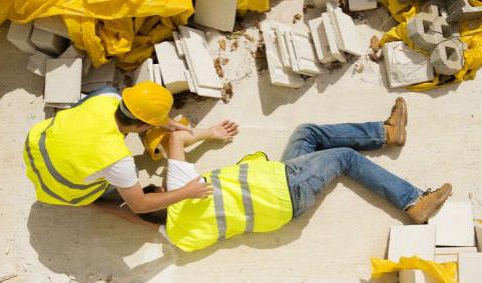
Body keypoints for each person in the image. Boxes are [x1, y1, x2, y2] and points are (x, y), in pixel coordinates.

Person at [146, 98, 452, 252]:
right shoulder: (178, 187)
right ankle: (413, 201)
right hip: (286, 187)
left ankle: (386, 132)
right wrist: (207, 133)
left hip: (280, 191)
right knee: (345, 157)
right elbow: (176, 139)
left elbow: (140, 212)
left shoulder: (179, 237)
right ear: (162, 192)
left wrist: (110, 205)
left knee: (308, 133)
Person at [23, 82, 212, 213]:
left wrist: (165, 122)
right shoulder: (118, 159)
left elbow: (136, 110)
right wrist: (187, 192)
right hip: (60, 189)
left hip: (35, 148)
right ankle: (96, 202)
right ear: (143, 126)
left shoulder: (107, 97)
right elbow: (140, 205)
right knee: (131, 176)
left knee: (102, 90)